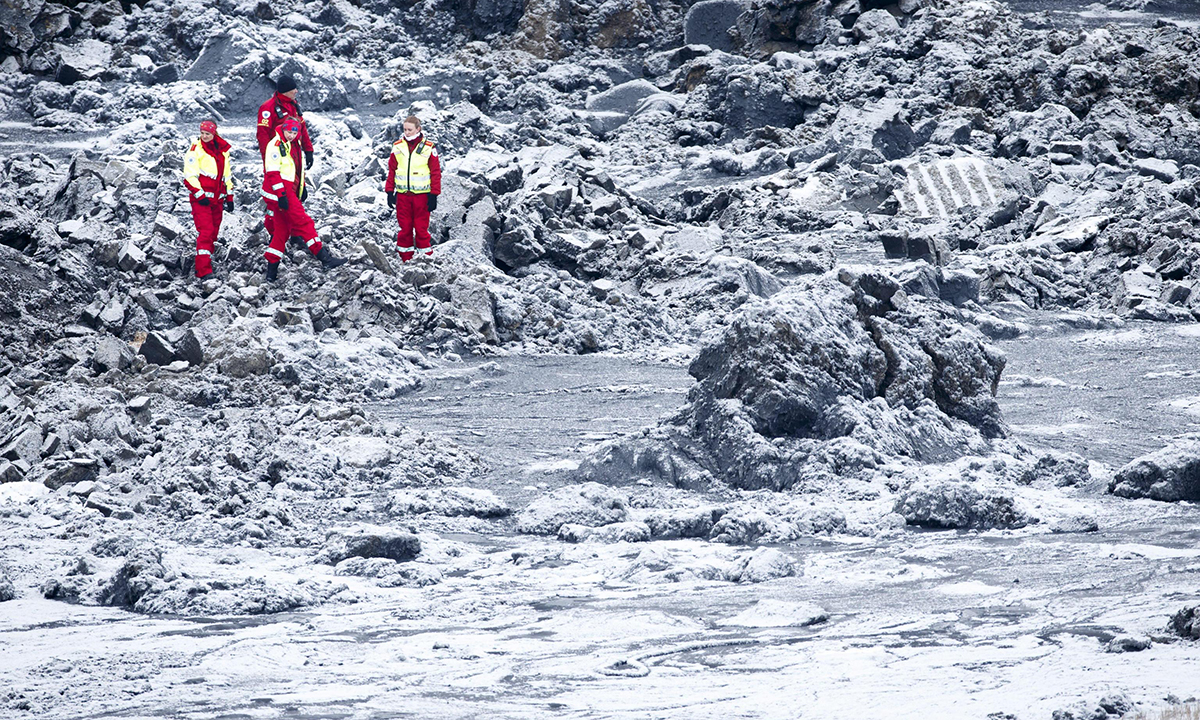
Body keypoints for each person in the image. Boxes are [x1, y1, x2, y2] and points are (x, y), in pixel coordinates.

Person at [261, 115, 345, 281]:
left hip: (285, 190)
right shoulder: (276, 145)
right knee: (303, 222)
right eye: (288, 131)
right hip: (280, 191)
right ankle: (324, 258)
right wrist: (282, 195)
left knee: (281, 231)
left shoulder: (292, 144)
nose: (291, 135)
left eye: (294, 132)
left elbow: (296, 169)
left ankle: (271, 272)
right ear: (283, 129)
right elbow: (272, 172)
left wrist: (302, 187)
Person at [257, 75, 313, 238]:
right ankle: (275, 230)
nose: (296, 91)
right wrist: (268, 163)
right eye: (293, 89)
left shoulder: (294, 106)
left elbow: (302, 129)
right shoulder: (268, 109)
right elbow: (262, 137)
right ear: (286, 91)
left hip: (295, 158)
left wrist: (308, 150)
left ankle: (287, 230)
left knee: (295, 193)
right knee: (280, 196)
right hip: (279, 160)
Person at [385, 115, 441, 262]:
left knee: (421, 229)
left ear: (418, 129)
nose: (407, 132)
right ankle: (405, 258)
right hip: (403, 196)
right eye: (405, 129)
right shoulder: (398, 146)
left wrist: (434, 195)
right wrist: (389, 191)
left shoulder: (429, 148)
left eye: (410, 129)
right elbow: (392, 170)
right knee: (405, 229)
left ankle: (426, 260)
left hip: (422, 197)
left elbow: (435, 173)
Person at [183, 119, 234, 279]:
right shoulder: (195, 150)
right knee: (206, 232)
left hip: (218, 200)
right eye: (202, 133)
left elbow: (227, 175)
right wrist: (200, 194)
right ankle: (203, 270)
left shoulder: (222, 150)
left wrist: (230, 196)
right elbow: (189, 176)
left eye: (208, 133)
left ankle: (207, 259)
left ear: (214, 133)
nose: (204, 136)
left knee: (214, 232)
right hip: (202, 200)